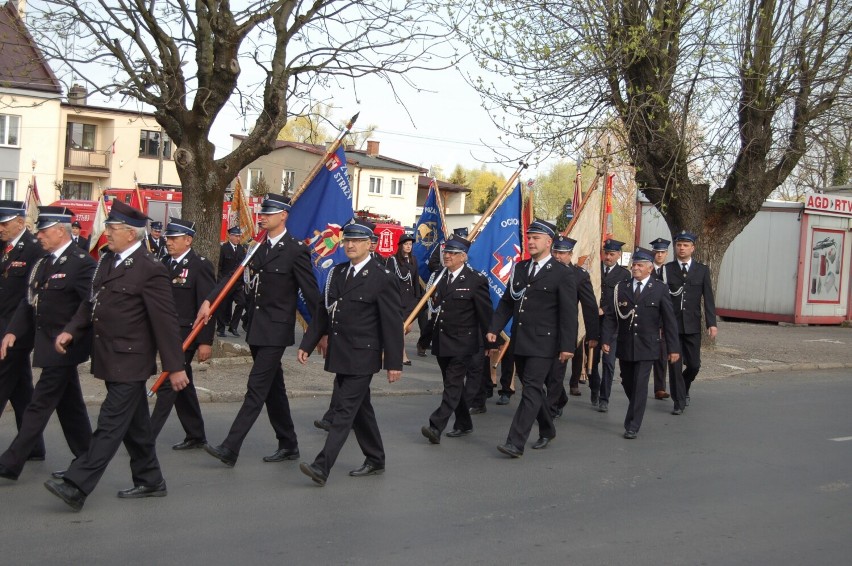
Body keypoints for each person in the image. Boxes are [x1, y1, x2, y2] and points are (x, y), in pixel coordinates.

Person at [44, 200, 189, 511]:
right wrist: (71, 329)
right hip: (108, 356)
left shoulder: (151, 269)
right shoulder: (108, 261)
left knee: (110, 424)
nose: (106, 233)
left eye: (112, 228)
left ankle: (77, 484)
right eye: (108, 227)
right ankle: (150, 479)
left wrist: (174, 367)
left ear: (131, 234)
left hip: (131, 359)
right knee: (136, 425)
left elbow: (165, 322)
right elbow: (90, 302)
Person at [196, 193, 319, 467]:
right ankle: (289, 443)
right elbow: (231, 277)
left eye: (268, 213)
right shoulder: (256, 248)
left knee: (256, 387)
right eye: (262, 213)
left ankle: (230, 447)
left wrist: (318, 334)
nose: (261, 217)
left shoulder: (296, 249)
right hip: (255, 328)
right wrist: (209, 301)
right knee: (273, 389)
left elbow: (312, 296)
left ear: (283, 216)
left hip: (276, 331)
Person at [297, 219, 403, 486]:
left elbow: (391, 324)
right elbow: (324, 312)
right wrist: (307, 344)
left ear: (370, 245)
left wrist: (394, 363)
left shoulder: (382, 277)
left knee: (344, 410)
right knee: (360, 408)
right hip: (341, 353)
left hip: (363, 355)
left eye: (356, 241)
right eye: (347, 241)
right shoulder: (339, 272)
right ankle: (376, 458)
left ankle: (322, 466)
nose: (350, 245)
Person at [0, 207, 94, 481]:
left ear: (60, 230)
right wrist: (12, 332)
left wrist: (71, 333)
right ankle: (87, 458)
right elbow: (28, 302)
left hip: (65, 346)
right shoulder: (45, 263)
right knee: (70, 405)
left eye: (43, 230)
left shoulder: (81, 262)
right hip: (47, 343)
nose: (38, 235)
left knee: (39, 404)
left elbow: (89, 304)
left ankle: (11, 462)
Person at [487, 220, 577, 456]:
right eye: (529, 237)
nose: (530, 242)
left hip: (545, 342)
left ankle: (515, 442)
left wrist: (568, 346)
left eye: (536, 238)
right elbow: (508, 301)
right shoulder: (521, 268)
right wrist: (494, 328)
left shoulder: (562, 273)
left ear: (549, 242)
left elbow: (569, 313)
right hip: (521, 339)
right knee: (532, 388)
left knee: (532, 388)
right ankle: (547, 428)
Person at [149, 218, 215, 450]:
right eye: (168, 238)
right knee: (183, 385)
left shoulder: (200, 265)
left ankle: (146, 437)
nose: (169, 242)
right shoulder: (163, 262)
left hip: (186, 334)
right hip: (166, 333)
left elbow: (207, 307)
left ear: (188, 240)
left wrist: (205, 341)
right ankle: (196, 434)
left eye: (174, 238)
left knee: (169, 382)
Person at [601, 248, 680, 439]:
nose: (635, 268)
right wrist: (606, 338)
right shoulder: (623, 287)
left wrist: (673, 348)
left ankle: (633, 424)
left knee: (640, 384)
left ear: (649, 268)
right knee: (628, 381)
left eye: (639, 265)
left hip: (648, 345)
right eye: (634, 264)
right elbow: (612, 316)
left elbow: (669, 320)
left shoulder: (660, 289)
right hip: (626, 343)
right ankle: (636, 404)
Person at [420, 235, 492, 444]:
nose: (447, 256)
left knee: (452, 384)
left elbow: (485, 313)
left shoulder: (475, 279)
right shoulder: (440, 277)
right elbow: (435, 310)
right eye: (446, 252)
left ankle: (436, 425)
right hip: (442, 340)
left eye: (452, 253)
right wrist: (424, 339)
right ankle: (464, 423)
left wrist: (490, 342)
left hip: (464, 342)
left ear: (463, 257)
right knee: (454, 386)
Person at [0, 200, 46, 461]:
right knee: (20, 390)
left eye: (4, 223)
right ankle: (33, 446)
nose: (0, 228)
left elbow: (28, 296)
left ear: (20, 222)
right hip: (2, 326)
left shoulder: (32, 250)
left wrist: (16, 329)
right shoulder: (4, 247)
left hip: (16, 331)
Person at [664, 230, 718, 413]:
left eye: (685, 245)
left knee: (694, 365)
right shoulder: (667, 270)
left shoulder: (701, 270)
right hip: (672, 326)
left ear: (692, 248)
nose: (681, 248)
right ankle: (678, 402)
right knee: (675, 365)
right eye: (679, 245)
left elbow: (708, 298)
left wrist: (712, 323)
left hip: (693, 325)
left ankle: (684, 387)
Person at [546, 236, 599, 418]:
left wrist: (593, 334)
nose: (558, 257)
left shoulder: (579, 275)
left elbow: (589, 306)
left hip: (565, 331)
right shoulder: (544, 271)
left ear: (570, 254)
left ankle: (551, 410)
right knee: (544, 373)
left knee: (556, 372)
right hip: (542, 329)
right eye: (555, 252)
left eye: (562, 253)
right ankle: (560, 398)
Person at [590, 239, 630, 413]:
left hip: (612, 324)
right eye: (606, 253)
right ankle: (594, 387)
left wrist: (604, 309)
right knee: (592, 360)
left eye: (612, 254)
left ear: (618, 256)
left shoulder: (624, 275)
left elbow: (624, 300)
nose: (608, 257)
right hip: (593, 322)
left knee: (608, 362)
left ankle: (604, 397)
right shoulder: (595, 270)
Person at [388, 232, 420, 365]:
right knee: (401, 328)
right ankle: (402, 355)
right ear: (400, 246)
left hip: (410, 299)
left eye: (410, 244)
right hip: (397, 299)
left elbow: (415, 279)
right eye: (406, 244)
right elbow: (388, 280)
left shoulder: (413, 260)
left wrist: (418, 298)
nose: (408, 247)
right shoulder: (393, 260)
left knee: (408, 329)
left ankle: (388, 343)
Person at [650, 237, 672, 400]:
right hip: (649, 315)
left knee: (662, 353)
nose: (659, 255)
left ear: (667, 254)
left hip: (664, 316)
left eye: (662, 252)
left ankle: (660, 387)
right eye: (657, 252)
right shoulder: (646, 268)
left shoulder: (670, 272)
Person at [216, 226, 247, 337]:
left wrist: (243, 282)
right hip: (225, 283)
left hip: (237, 284)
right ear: (230, 236)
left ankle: (233, 326)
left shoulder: (241, 249)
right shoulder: (223, 248)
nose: (238, 238)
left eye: (239, 236)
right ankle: (221, 328)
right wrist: (220, 282)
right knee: (223, 306)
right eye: (236, 236)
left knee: (242, 302)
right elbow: (219, 266)